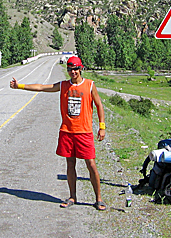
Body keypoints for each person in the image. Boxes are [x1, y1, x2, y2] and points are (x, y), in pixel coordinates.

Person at [10, 56, 107, 210]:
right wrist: (19, 86)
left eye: (75, 69)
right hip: (67, 132)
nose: (73, 72)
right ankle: (72, 196)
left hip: (84, 132)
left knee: (91, 164)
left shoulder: (89, 85)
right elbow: (42, 87)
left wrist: (102, 127)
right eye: (70, 69)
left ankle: (99, 199)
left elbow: (99, 105)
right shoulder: (63, 85)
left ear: (81, 69)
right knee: (70, 164)